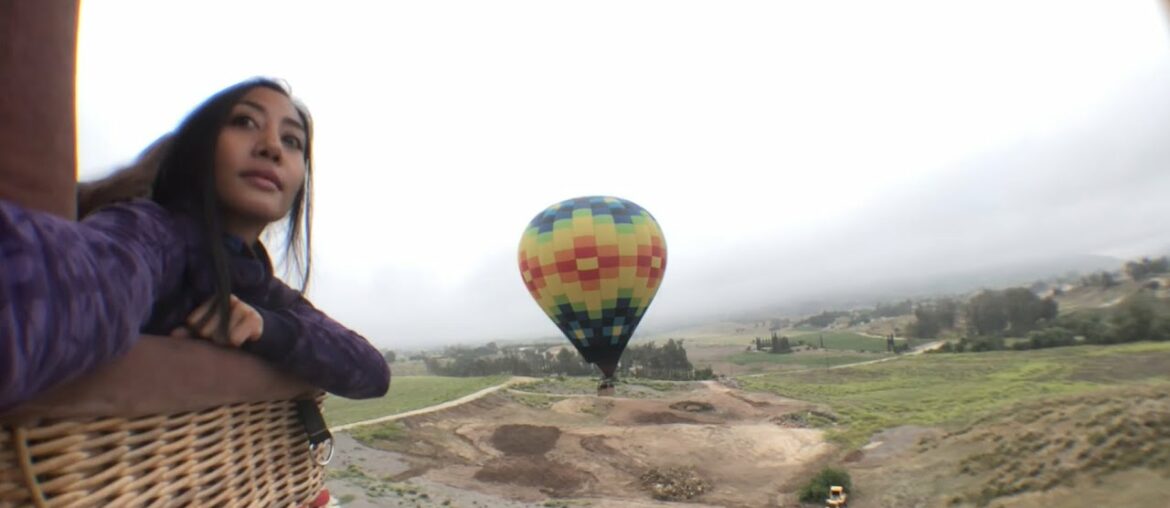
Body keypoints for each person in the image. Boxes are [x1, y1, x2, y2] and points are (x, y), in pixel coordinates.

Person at [0, 78, 390, 412]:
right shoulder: (154, 234)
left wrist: (267, 330)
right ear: (198, 147)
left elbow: (371, 372)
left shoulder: (258, 285)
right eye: (244, 121)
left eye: (292, 140)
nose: (272, 147)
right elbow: (70, 288)